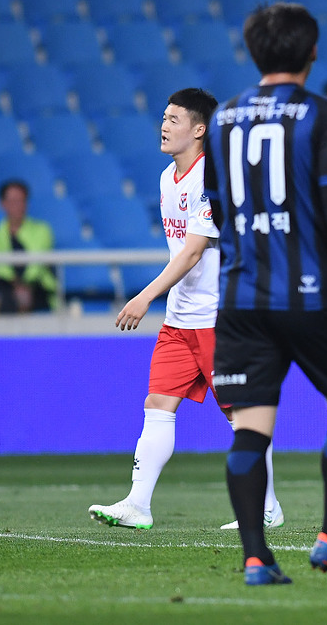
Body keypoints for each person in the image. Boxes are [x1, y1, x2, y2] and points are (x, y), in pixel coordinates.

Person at [203, 3, 327, 586]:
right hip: (308, 293)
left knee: (250, 427)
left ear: (253, 51)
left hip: (241, 297)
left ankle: (257, 558)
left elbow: (216, 206)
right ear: (311, 52)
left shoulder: (223, 117)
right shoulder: (322, 113)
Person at [88, 89, 285, 533]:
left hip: (220, 318)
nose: (164, 126)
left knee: (240, 414)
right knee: (158, 404)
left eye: (174, 119)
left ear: (199, 129)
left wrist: (145, 296)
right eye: (163, 117)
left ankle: (267, 506)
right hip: (180, 319)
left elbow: (194, 252)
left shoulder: (213, 180)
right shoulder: (167, 178)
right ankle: (138, 504)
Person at [0, 179, 57, 313]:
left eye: (21, 200)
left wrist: (25, 285)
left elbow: (36, 264)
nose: (17, 206)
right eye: (13, 201)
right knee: (5, 296)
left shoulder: (42, 230)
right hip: (7, 287)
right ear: (2, 204)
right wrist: (16, 284)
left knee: (31, 296)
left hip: (36, 286)